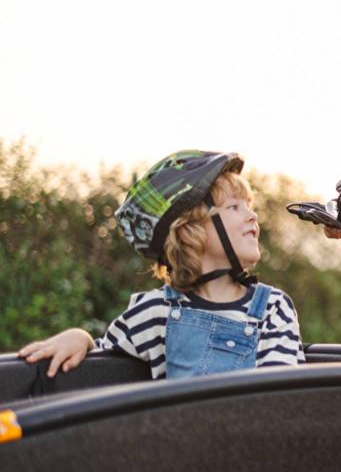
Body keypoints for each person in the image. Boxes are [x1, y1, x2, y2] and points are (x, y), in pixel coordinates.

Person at [19, 151, 304, 380]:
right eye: (234, 207)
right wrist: (80, 338)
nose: (252, 215)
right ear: (191, 230)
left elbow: (279, 400)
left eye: (249, 205)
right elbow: (105, 357)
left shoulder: (272, 308)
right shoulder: (156, 313)